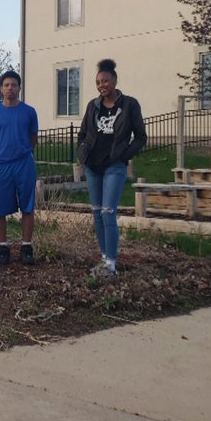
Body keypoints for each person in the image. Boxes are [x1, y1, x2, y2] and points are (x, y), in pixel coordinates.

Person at [77, 58, 147, 277]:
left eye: (105, 81)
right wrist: (82, 153)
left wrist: (123, 156)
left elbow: (140, 137)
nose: (101, 85)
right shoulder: (93, 105)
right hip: (93, 166)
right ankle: (104, 258)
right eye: (98, 82)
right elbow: (82, 134)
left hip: (114, 166)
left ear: (115, 80)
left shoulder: (129, 105)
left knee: (108, 212)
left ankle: (111, 264)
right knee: (97, 213)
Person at [0, 69, 38, 266]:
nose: (10, 88)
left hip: (24, 164)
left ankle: (26, 247)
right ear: (1, 89)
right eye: (6, 85)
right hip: (2, 166)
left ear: (19, 88)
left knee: (27, 206)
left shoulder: (29, 112)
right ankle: (3, 247)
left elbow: (33, 138)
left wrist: (23, 153)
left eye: (14, 85)